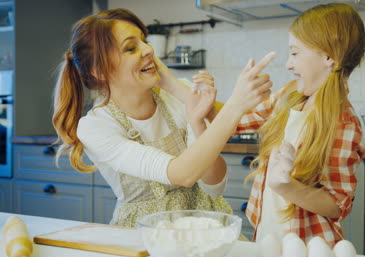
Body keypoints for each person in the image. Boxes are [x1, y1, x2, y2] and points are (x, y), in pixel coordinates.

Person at [52, 8, 275, 227]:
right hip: (143, 235)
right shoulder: (95, 126)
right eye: (131, 48)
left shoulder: (179, 94)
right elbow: (183, 174)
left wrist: (192, 113)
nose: (148, 49)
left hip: (205, 226)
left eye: (144, 41)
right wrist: (235, 105)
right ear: (99, 70)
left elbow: (214, 188)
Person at [236, 3, 365, 247]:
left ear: (329, 57)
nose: (288, 64)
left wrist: (285, 186)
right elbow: (237, 121)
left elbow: (336, 204)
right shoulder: (289, 96)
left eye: (295, 53)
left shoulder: (343, 123)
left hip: (308, 247)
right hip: (267, 238)